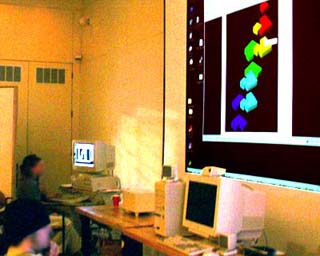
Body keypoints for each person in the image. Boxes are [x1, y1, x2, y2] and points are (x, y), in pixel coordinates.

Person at [16, 154, 82, 255]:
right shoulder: (30, 185)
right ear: (34, 168)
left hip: (30, 219)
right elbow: (37, 207)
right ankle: (77, 251)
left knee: (66, 224)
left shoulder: (27, 181)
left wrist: (44, 194)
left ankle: (72, 251)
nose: (43, 168)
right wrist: (54, 210)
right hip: (35, 220)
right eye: (41, 166)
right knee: (68, 223)